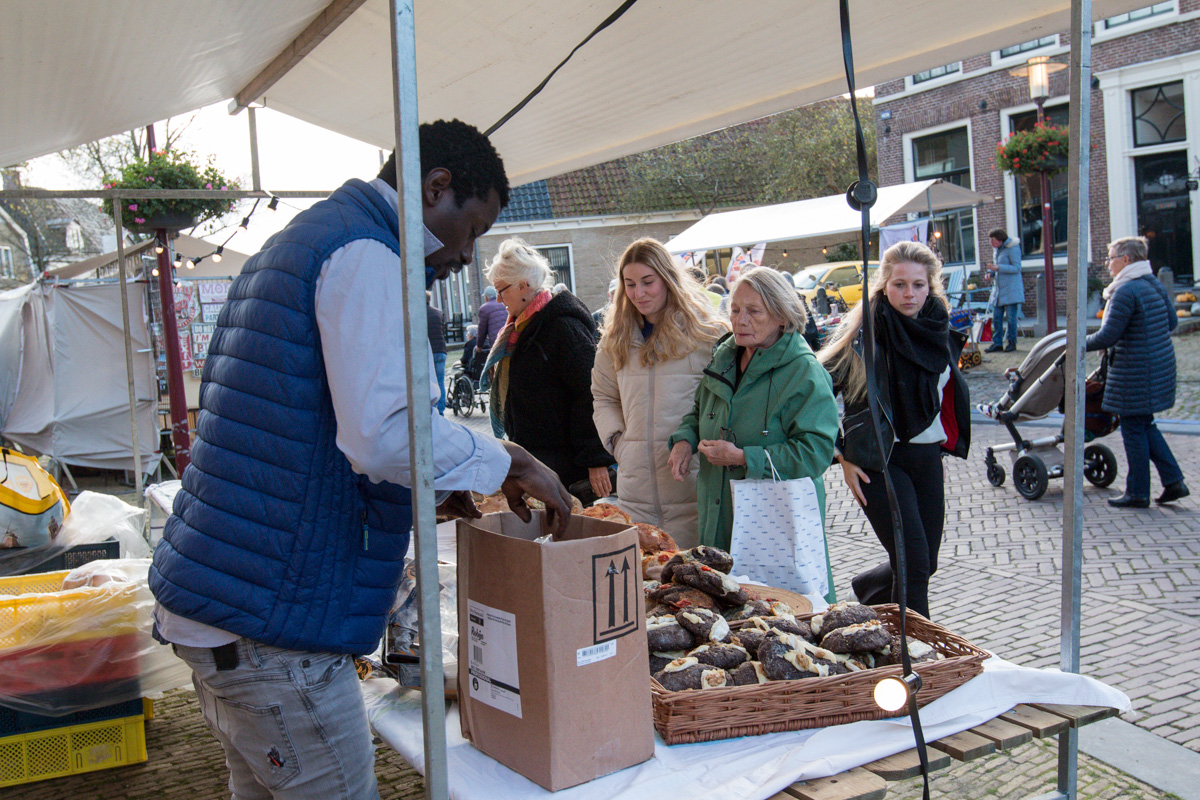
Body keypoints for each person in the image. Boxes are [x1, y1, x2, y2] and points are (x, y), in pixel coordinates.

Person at [149, 119, 572, 800]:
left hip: (230, 602)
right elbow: (384, 433)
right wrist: (510, 460)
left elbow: (305, 422)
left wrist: (429, 482)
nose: (467, 254)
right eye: (471, 228)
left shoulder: (305, 240)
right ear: (435, 187)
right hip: (271, 620)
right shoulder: (368, 254)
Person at [817, 242, 970, 620]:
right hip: (879, 460)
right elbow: (814, 396)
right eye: (900, 284)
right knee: (913, 564)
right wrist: (841, 454)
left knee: (925, 562)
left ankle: (868, 590)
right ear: (884, 285)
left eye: (918, 284)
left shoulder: (939, 332)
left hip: (927, 457)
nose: (909, 294)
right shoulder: (863, 338)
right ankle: (916, 647)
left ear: (931, 286)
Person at [668, 267, 839, 595]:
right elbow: (700, 411)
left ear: (781, 316)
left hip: (775, 526)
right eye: (734, 310)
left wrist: (745, 457)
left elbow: (816, 452)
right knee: (723, 605)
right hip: (718, 515)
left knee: (779, 611)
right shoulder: (724, 358)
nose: (740, 320)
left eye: (753, 311)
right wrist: (684, 440)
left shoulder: (804, 372)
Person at [592, 238, 729, 544]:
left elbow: (725, 402)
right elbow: (603, 397)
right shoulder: (614, 340)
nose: (638, 293)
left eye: (647, 282)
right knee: (645, 572)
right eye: (630, 284)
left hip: (693, 488)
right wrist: (618, 442)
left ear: (667, 279)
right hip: (635, 493)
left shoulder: (708, 334)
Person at [483, 237, 616, 500]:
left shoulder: (563, 327)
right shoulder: (522, 328)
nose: (498, 299)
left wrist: (595, 459)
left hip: (565, 463)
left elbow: (589, 392)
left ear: (523, 286)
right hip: (537, 458)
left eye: (501, 290)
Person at [1087, 236, 1188, 508]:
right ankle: (1174, 482)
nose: (1107, 264)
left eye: (1111, 258)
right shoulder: (1152, 283)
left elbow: (1108, 336)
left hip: (1135, 372)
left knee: (1133, 429)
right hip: (1158, 366)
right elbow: (1172, 322)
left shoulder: (1125, 291)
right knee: (1144, 425)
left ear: (1126, 259)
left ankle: (1138, 493)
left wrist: (1075, 344)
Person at [986, 228, 1024, 353]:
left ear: (1000, 240)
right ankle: (997, 343)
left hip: (1011, 289)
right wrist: (990, 273)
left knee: (1011, 318)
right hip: (999, 290)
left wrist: (999, 267)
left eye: (993, 240)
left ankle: (1012, 342)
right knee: (996, 318)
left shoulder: (1013, 248)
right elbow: (996, 267)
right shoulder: (997, 250)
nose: (991, 242)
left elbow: (1017, 268)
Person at [427, 291, 447, 414]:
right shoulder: (438, 312)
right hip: (441, 350)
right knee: (440, 381)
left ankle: (433, 411)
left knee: (430, 382)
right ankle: (441, 411)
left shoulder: (418, 313)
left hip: (429, 352)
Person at [476, 284, 507, 356]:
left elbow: (482, 331)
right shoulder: (505, 303)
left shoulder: (484, 308)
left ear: (486, 297)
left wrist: (479, 346)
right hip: (509, 337)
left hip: (497, 341)